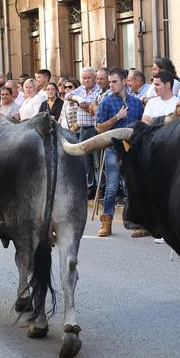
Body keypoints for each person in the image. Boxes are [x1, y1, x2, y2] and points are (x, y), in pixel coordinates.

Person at [94, 68, 144, 238]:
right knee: (112, 186)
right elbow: (99, 127)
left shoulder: (137, 103)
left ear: (124, 82)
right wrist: (117, 117)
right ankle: (106, 223)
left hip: (131, 149)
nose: (111, 85)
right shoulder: (106, 103)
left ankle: (134, 221)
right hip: (113, 148)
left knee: (132, 186)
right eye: (110, 82)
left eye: (114, 81)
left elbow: (142, 126)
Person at [70, 67, 104, 194]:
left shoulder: (98, 90)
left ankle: (101, 186)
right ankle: (90, 186)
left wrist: (86, 106)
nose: (87, 80)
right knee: (85, 159)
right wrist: (78, 99)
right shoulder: (80, 89)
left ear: (94, 78)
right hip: (83, 129)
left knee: (97, 159)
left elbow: (93, 108)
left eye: (89, 77)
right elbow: (68, 95)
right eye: (84, 78)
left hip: (94, 128)